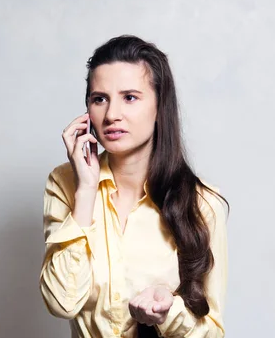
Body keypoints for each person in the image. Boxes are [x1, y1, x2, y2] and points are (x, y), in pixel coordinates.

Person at [39, 35, 229, 338]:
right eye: (99, 98)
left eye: (130, 97)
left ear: (159, 105)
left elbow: (212, 333)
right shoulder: (65, 183)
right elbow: (62, 302)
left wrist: (168, 314)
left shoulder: (203, 202)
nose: (112, 114)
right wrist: (85, 191)